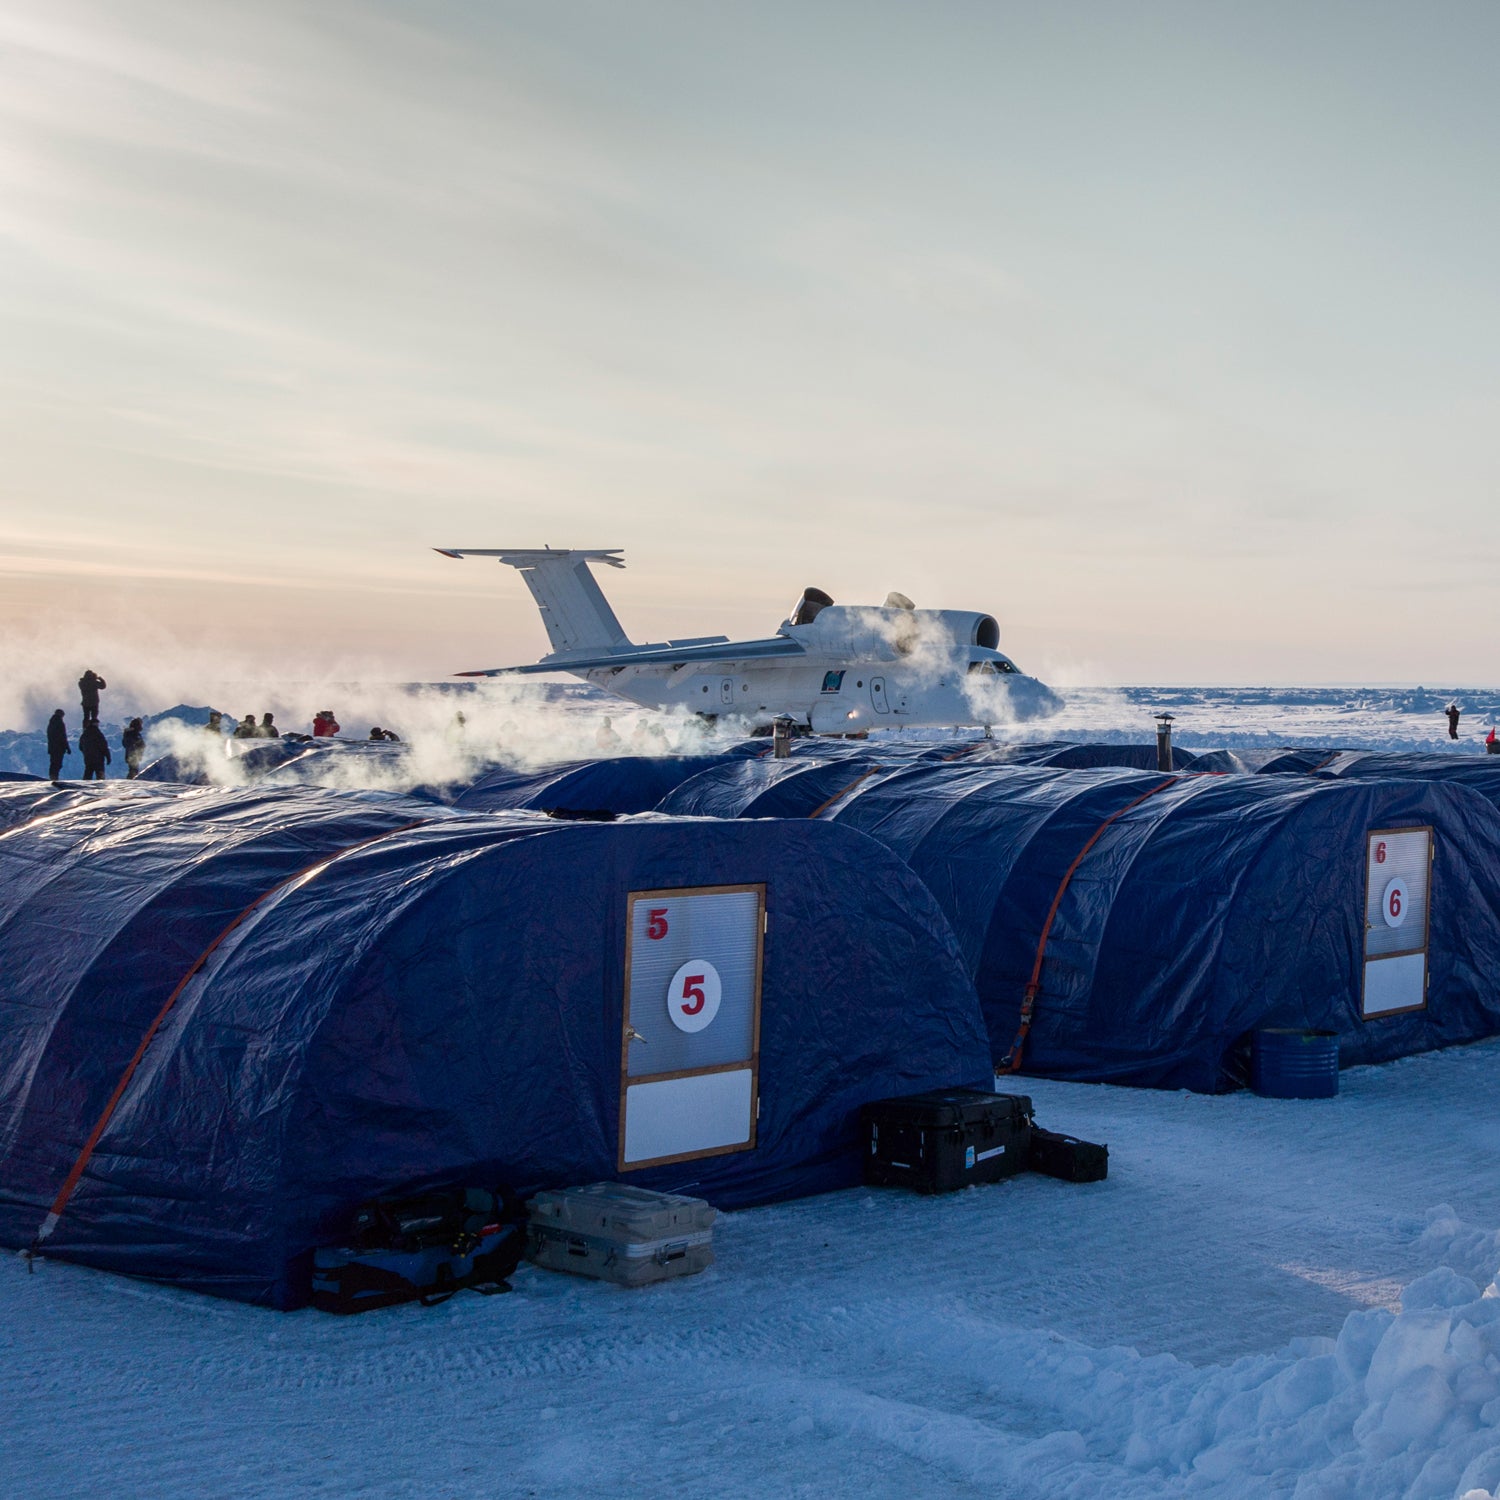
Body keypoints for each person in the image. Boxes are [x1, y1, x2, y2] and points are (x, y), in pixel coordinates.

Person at [46, 709, 70, 780]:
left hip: (53, 747)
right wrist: (67, 747)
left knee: (54, 762)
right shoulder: (59, 722)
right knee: (57, 763)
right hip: (58, 747)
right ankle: (54, 777)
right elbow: (62, 736)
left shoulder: (51, 723)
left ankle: (53, 776)